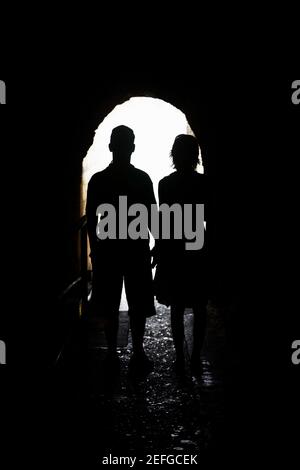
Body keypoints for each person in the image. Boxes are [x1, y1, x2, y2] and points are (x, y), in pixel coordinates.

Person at [86, 125, 157, 376]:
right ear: (133, 148)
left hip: (108, 251)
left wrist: (95, 249)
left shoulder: (98, 181)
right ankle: (138, 351)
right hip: (136, 249)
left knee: (108, 303)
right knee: (138, 303)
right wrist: (157, 245)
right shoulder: (142, 179)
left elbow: (92, 221)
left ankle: (111, 352)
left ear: (110, 147)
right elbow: (152, 217)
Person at [153, 134, 209, 375]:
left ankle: (179, 356)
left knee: (176, 306)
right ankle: (195, 355)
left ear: (173, 155)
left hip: (174, 249)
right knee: (199, 305)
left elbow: (165, 221)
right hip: (197, 249)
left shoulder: (165, 185)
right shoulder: (205, 184)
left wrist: (159, 247)